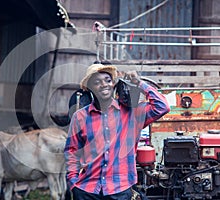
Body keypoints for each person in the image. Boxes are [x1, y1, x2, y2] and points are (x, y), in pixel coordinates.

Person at [64, 63, 170, 200]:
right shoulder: (80, 117)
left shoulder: (132, 114)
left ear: (114, 84)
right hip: (87, 190)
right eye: (97, 82)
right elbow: (71, 151)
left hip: (119, 189)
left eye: (108, 81)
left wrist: (138, 83)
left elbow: (162, 106)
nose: (104, 85)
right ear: (89, 88)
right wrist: (73, 183)